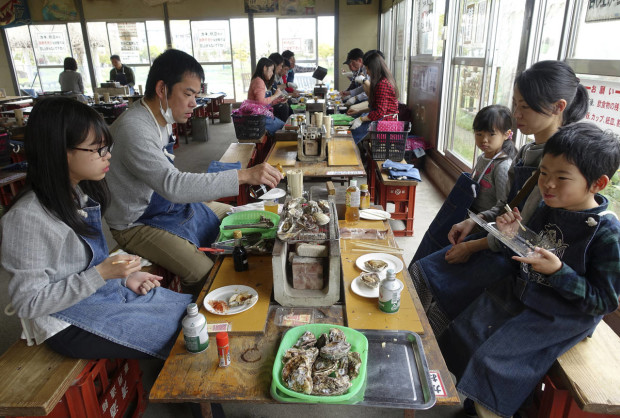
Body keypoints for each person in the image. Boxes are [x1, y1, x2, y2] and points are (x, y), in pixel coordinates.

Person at [439, 122, 620, 418]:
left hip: (564, 313)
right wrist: (513, 236)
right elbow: (530, 246)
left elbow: (604, 301)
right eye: (544, 174)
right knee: (467, 329)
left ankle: (495, 409)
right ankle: (474, 403)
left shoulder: (607, 232)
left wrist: (559, 271)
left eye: (561, 177)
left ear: (597, 184)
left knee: (494, 360)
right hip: (530, 290)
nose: (547, 184)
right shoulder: (552, 205)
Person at [410, 60, 590, 340]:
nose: (516, 114)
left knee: (436, 285)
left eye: (525, 107)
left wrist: (473, 246)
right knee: (424, 269)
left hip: (516, 261)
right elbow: (507, 207)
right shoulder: (530, 148)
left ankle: (424, 348)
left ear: (558, 107)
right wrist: (476, 221)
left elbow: (523, 232)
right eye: (516, 104)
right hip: (498, 240)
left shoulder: (557, 161)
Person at [1, 97, 192, 360]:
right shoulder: (26, 218)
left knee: (190, 311)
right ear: (60, 151)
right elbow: (28, 302)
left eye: (106, 147)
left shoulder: (76, 193)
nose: (108, 155)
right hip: (65, 324)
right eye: (98, 149)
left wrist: (122, 277)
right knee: (183, 335)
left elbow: (90, 263)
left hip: (94, 295)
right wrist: (102, 275)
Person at [105, 49, 283, 295]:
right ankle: (193, 316)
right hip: (136, 222)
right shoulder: (135, 128)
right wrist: (245, 175)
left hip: (166, 205)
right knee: (203, 273)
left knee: (248, 218)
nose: (194, 103)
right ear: (161, 89)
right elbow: (173, 185)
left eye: (196, 95)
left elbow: (171, 184)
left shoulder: (161, 120)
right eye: (188, 94)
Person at [412, 105, 516, 262]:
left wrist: (477, 220)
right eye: (479, 134)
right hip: (468, 215)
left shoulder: (502, 166)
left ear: (507, 134)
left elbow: (502, 207)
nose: (484, 140)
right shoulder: (483, 158)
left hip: (482, 225)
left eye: (491, 135)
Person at [348, 51, 399, 144]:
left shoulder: (383, 84)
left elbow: (379, 112)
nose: (367, 72)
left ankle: (350, 155)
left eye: (368, 69)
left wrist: (361, 119)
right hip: (380, 119)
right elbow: (375, 107)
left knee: (352, 136)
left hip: (385, 123)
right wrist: (359, 112)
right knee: (352, 131)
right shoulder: (382, 81)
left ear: (375, 69)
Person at [247, 57, 288, 134]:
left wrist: (278, 100)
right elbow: (261, 103)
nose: (272, 73)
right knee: (284, 127)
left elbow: (263, 103)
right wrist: (275, 95)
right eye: (272, 70)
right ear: (265, 68)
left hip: (261, 116)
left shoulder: (258, 80)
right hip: (258, 119)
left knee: (283, 124)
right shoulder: (259, 81)